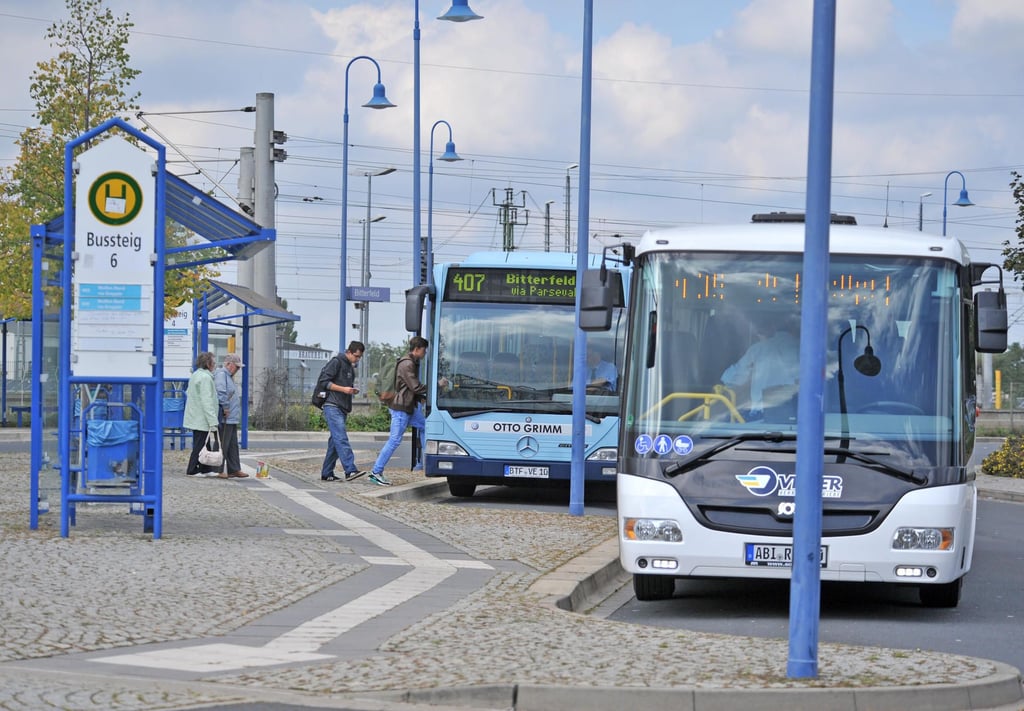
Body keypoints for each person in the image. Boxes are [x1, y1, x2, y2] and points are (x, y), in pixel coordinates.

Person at [368, 336, 430, 486]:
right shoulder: (407, 364)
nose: (425, 353)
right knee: (394, 440)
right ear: (417, 349)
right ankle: (376, 471)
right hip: (401, 408)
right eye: (424, 350)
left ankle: (428, 462)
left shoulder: (409, 362)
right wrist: (435, 386)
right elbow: (414, 386)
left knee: (425, 427)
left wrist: (419, 397)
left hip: (408, 407)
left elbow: (409, 388)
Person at [720, 318, 800, 419]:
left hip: (761, 413)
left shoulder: (757, 349)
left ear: (772, 329)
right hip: (796, 414)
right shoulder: (803, 349)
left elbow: (733, 378)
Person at [319, 341, 368, 482]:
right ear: (349, 352)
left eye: (360, 357)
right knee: (341, 437)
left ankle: (327, 472)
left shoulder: (349, 367)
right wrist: (344, 389)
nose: (357, 359)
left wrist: (351, 390)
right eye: (356, 356)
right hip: (332, 405)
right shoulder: (336, 362)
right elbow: (324, 382)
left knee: (335, 441)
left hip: (341, 406)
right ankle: (350, 470)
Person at [183, 351, 220, 478]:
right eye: (213, 363)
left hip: (195, 415)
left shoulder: (195, 375)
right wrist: (213, 420)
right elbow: (207, 401)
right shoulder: (205, 378)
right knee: (200, 444)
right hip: (201, 418)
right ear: (208, 364)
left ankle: (205, 468)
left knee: (204, 443)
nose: (215, 365)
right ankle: (192, 469)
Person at [214, 352, 247, 478]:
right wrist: (226, 408)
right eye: (236, 366)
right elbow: (221, 392)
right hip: (225, 415)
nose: (238, 369)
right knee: (223, 443)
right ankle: (219, 469)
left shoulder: (228, 376)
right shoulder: (222, 375)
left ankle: (234, 468)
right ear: (229, 364)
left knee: (232, 444)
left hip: (231, 417)